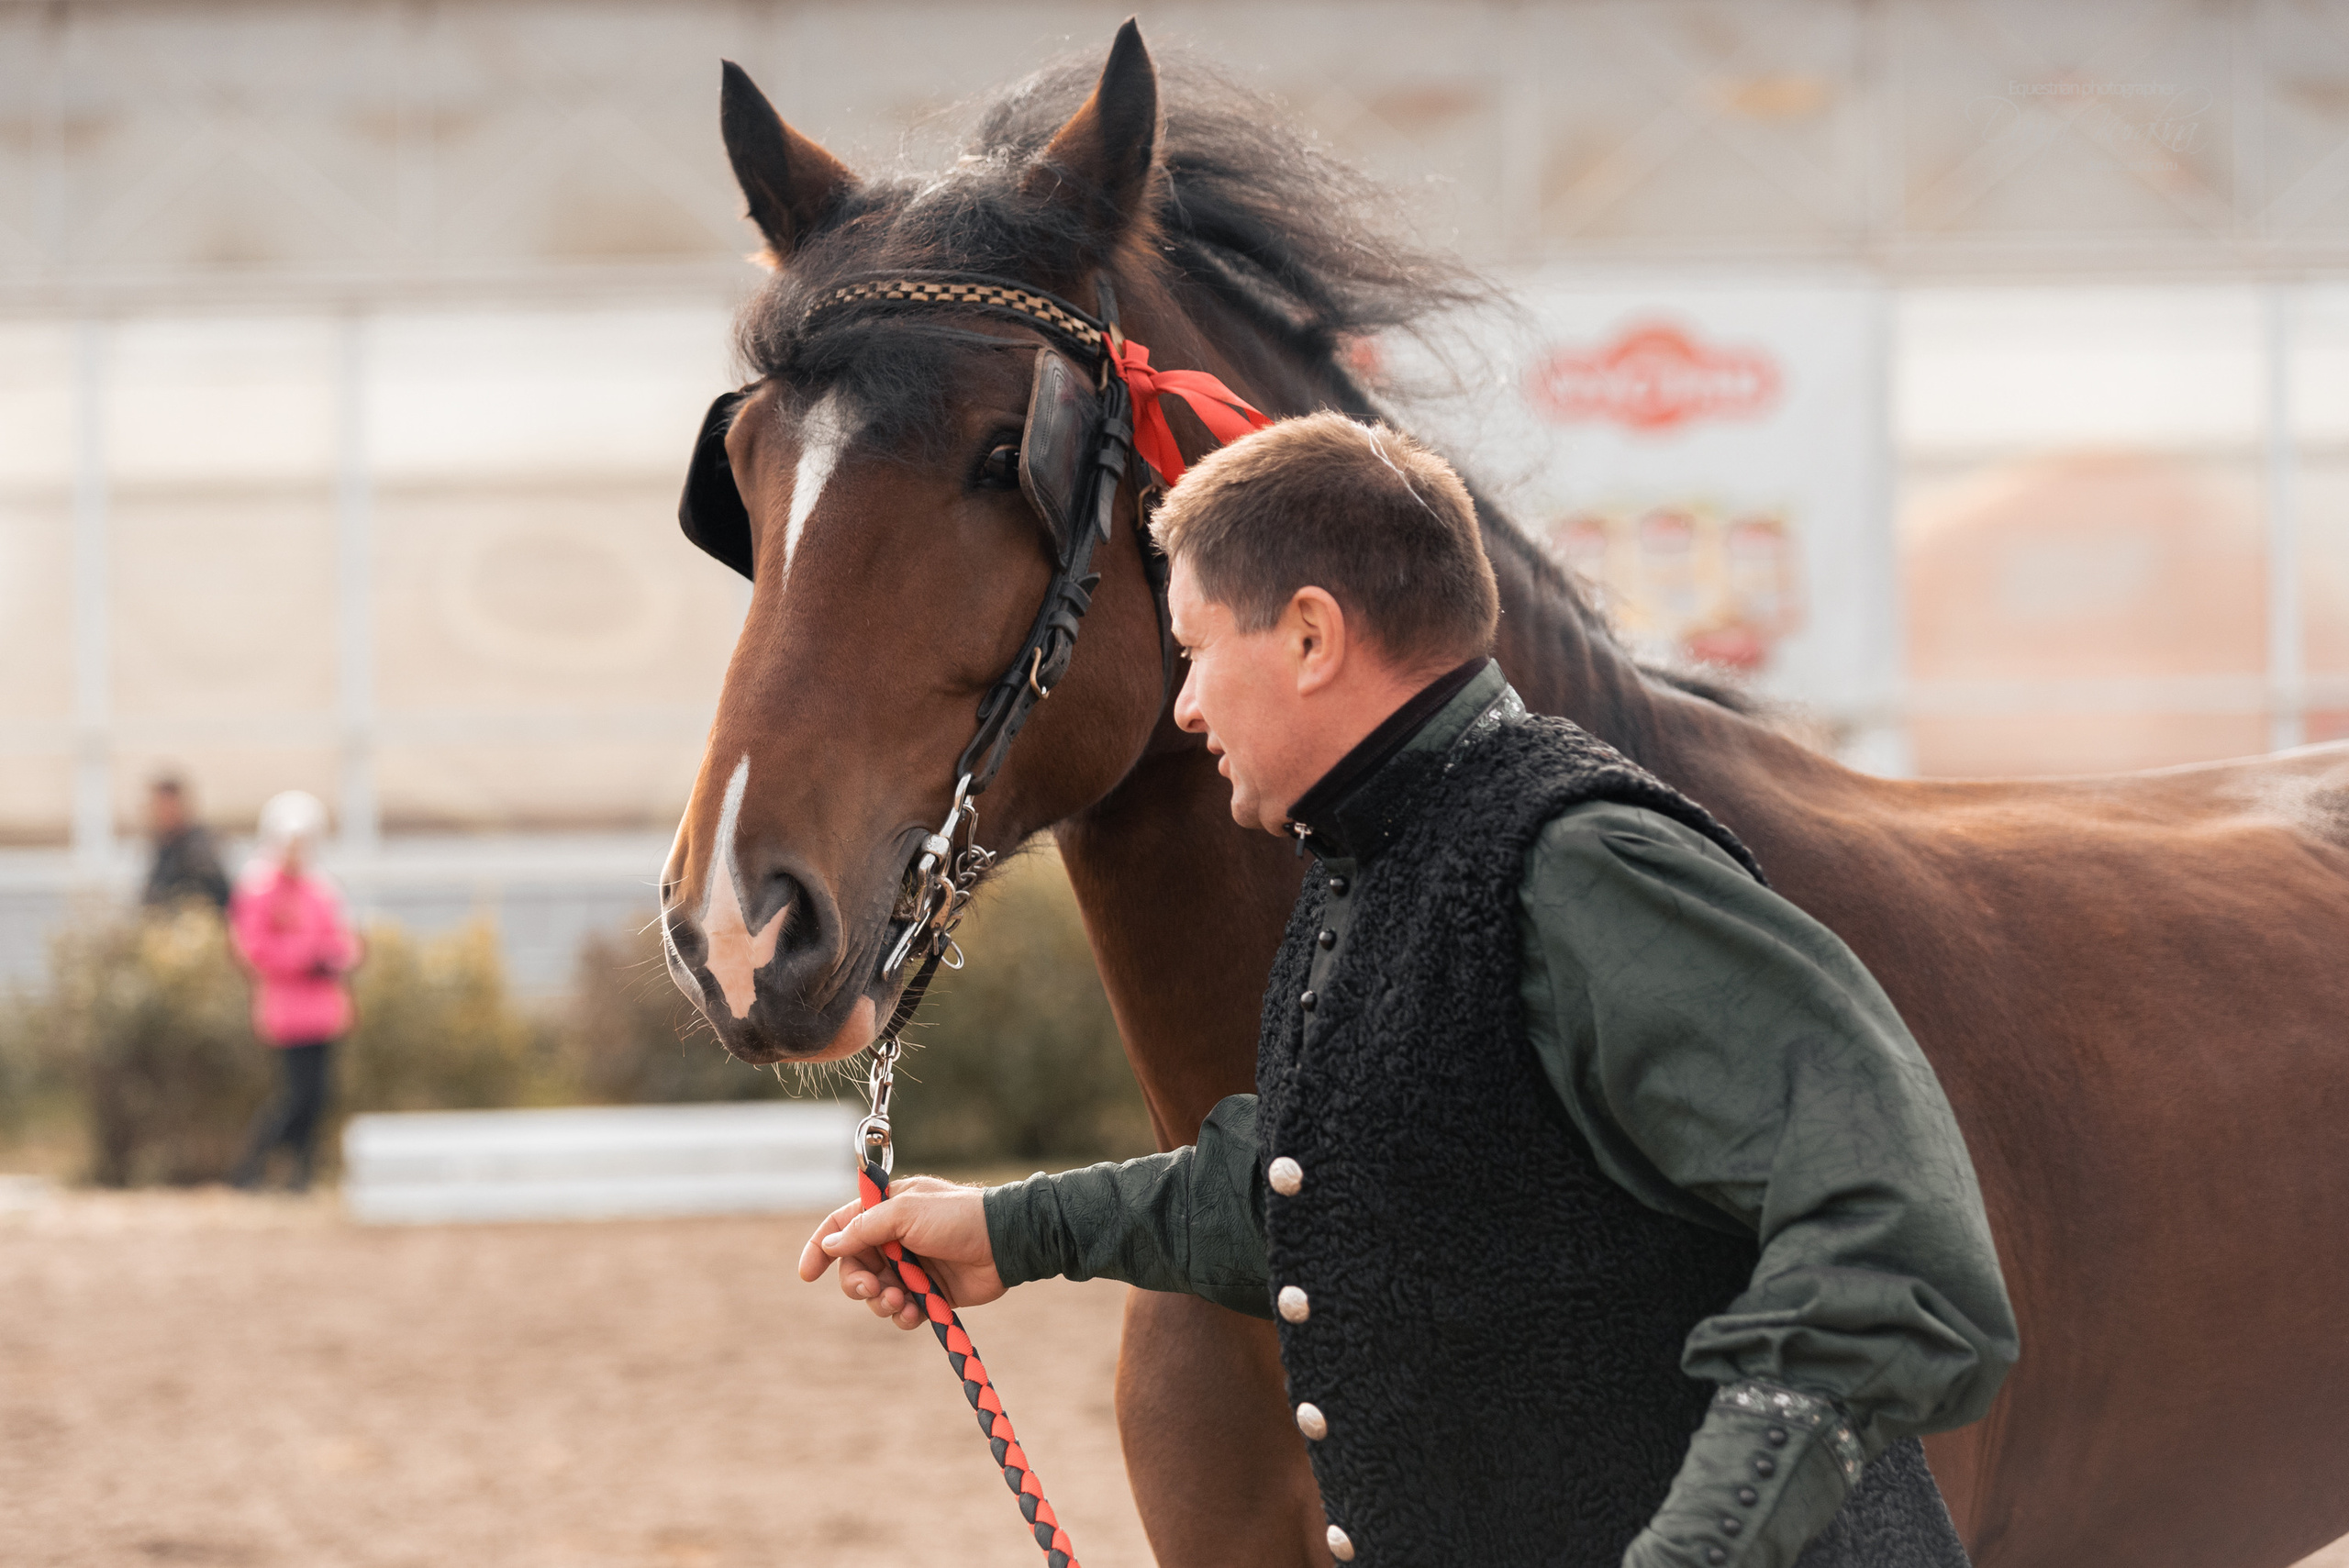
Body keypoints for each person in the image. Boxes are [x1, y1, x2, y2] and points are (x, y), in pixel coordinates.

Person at [800, 413, 2018, 1568]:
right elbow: (1339, 1190)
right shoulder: (1374, 862)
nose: (1185, 702)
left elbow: (1899, 1244)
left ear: (1312, 636)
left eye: (1199, 646)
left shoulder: (1585, 866)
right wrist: (1009, 1233)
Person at [227, 790, 361, 1192]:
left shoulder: (320, 887)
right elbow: (254, 948)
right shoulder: (260, 888)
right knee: (297, 1095)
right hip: (287, 1007)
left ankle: (301, 1174)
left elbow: (341, 937)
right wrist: (307, 957)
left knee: (319, 1095)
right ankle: (253, 1164)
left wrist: (338, 957)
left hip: (323, 1007)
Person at [140, 773, 230, 912]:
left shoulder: (198, 850)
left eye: (167, 806)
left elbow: (217, 898)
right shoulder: (162, 848)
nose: (162, 813)